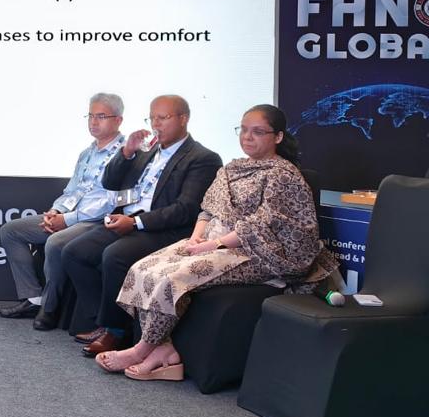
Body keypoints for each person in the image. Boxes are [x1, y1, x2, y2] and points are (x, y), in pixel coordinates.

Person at [95, 104, 338, 379]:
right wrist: (196, 237)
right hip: (212, 240)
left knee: (172, 278)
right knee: (143, 268)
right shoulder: (232, 168)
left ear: (278, 137)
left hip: (259, 252)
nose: (247, 137)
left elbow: (259, 226)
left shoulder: (283, 175)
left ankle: (141, 349)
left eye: (258, 132)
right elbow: (208, 210)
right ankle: (164, 349)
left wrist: (212, 245)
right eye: (243, 130)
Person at [63, 94, 222, 356]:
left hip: (163, 229)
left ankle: (116, 332)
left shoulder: (202, 158)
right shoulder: (146, 150)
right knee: (74, 252)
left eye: (163, 117)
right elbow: (110, 182)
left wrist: (136, 222)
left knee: (114, 256)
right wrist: (126, 152)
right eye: (152, 118)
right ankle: (102, 321)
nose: (156, 124)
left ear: (184, 119)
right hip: (126, 220)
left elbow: (186, 209)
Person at [0, 93, 126, 330]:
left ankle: (49, 307)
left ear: (118, 120)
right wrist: (55, 211)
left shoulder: (125, 155)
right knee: (11, 231)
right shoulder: (86, 153)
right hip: (68, 215)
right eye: (90, 116)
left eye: (101, 116)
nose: (93, 122)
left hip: (95, 221)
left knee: (54, 243)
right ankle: (34, 298)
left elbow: (108, 203)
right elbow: (72, 190)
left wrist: (66, 219)